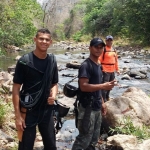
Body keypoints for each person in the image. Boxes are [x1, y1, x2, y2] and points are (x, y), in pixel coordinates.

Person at [12, 28, 58, 150]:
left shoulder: (52, 61)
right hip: (28, 110)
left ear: (51, 42)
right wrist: (18, 116)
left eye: (47, 39)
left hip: (46, 110)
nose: (44, 41)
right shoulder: (25, 61)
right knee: (25, 146)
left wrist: (53, 95)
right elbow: (16, 88)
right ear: (35, 40)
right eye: (41, 39)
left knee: (51, 145)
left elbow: (54, 83)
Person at [72, 37, 117, 150]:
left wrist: (102, 103)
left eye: (101, 47)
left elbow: (98, 87)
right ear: (90, 48)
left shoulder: (98, 64)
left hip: (96, 107)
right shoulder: (86, 66)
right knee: (84, 138)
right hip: (87, 108)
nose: (98, 49)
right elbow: (83, 86)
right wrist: (104, 86)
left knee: (94, 139)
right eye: (96, 47)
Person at [99, 35, 120, 102]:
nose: (109, 41)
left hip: (112, 71)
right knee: (105, 86)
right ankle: (103, 100)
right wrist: (100, 68)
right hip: (105, 71)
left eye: (110, 40)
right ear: (106, 41)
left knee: (111, 85)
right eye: (108, 40)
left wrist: (117, 69)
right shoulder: (103, 49)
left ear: (112, 41)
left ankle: (107, 97)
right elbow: (99, 60)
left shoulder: (114, 50)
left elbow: (116, 61)